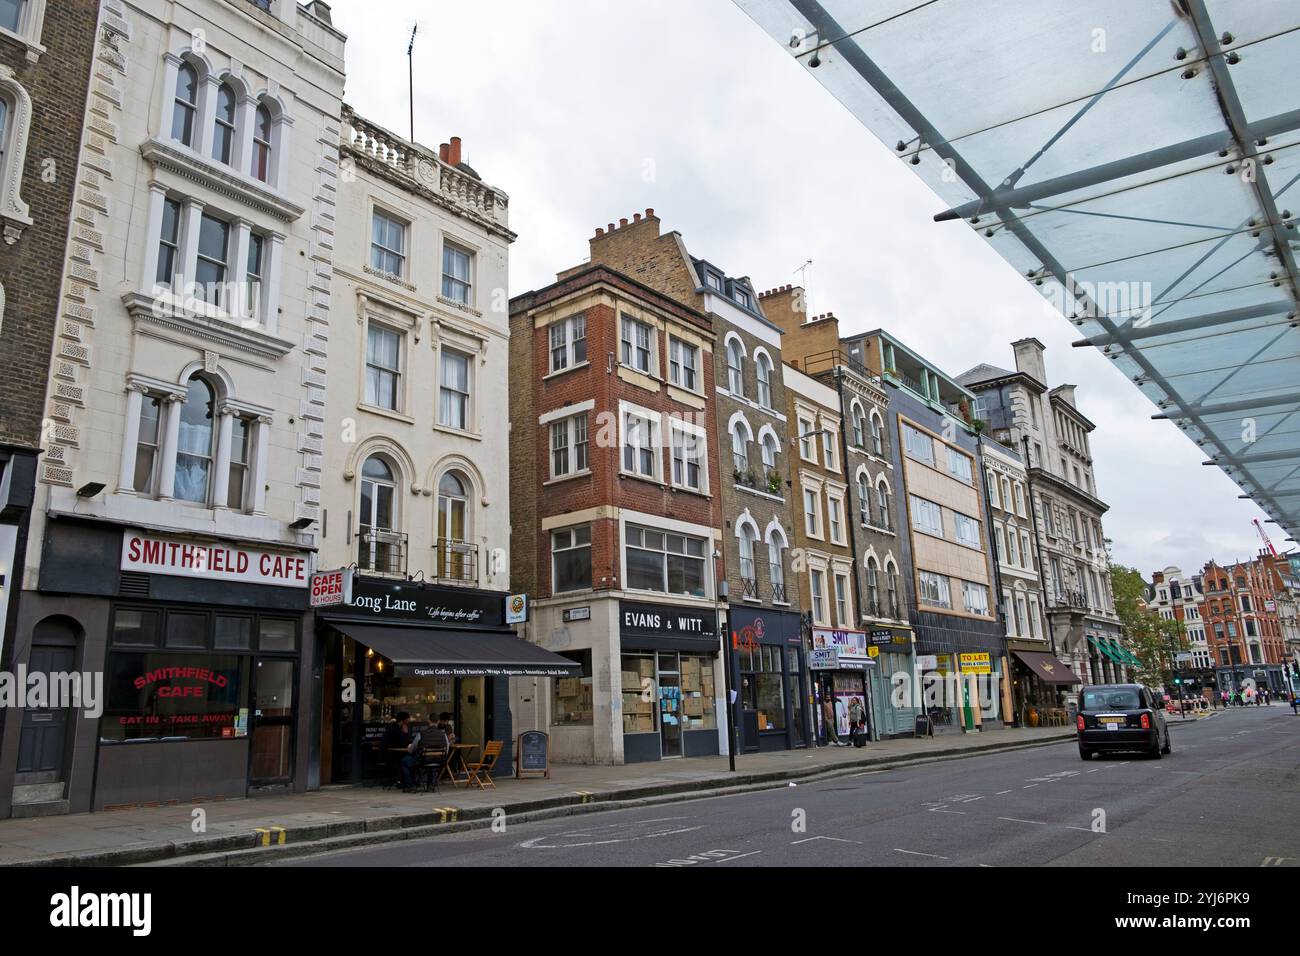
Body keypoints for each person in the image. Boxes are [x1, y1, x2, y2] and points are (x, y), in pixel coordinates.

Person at [382, 711, 418, 791]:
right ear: (402, 721)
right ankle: (407, 782)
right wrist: (405, 734)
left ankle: (408, 781)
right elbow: (400, 743)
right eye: (407, 720)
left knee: (410, 758)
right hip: (391, 754)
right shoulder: (395, 729)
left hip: (395, 753)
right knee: (406, 760)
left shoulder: (397, 728)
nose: (408, 722)